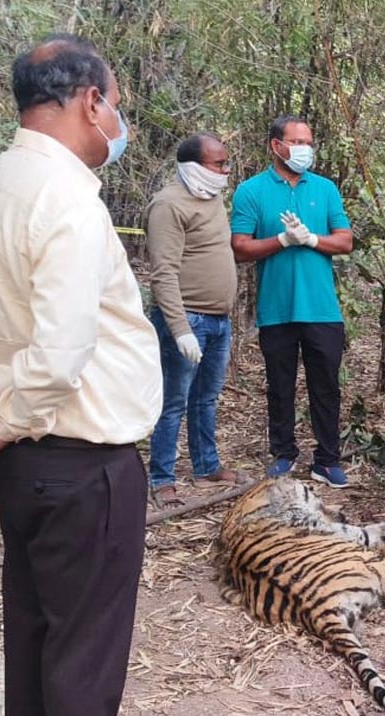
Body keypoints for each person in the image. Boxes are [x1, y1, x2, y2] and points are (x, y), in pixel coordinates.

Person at [0, 34, 161, 716]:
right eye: (115, 106)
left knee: (35, 635)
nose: (117, 125)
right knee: (82, 661)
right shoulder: (66, 197)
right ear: (91, 101)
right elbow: (62, 350)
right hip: (80, 461)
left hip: (21, 463)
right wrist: (2, 419)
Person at [231, 116, 354, 486]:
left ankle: (327, 459)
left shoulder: (325, 189)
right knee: (280, 384)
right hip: (277, 309)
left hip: (322, 309)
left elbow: (345, 240)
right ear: (276, 146)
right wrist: (282, 240)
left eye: (308, 141)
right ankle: (283, 453)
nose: (305, 148)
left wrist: (311, 239)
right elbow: (240, 247)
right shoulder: (251, 191)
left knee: (326, 386)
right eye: (297, 141)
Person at [145, 133, 244, 505]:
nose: (226, 170)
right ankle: (162, 477)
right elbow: (164, 273)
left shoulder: (212, 198)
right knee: (174, 401)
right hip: (186, 321)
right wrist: (180, 330)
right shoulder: (168, 206)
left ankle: (206, 465)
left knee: (206, 399)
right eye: (218, 164)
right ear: (193, 166)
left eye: (226, 162)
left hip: (218, 320)